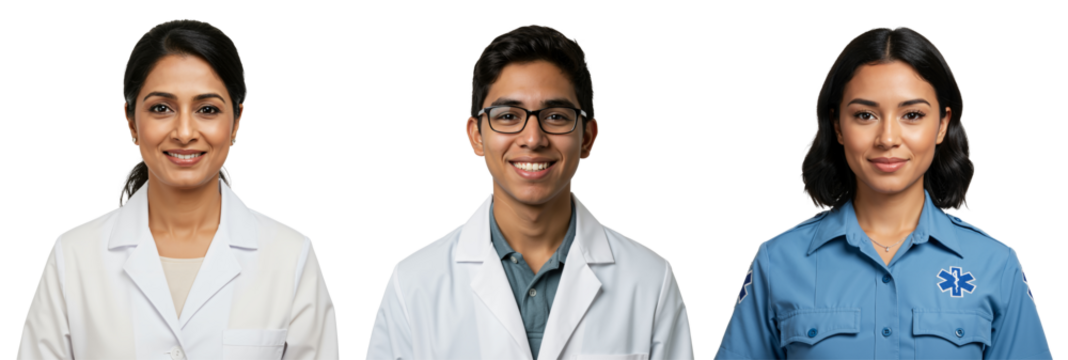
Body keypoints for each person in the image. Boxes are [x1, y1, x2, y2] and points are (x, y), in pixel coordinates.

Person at [712, 26, 1054, 360]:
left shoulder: (996, 264)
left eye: (912, 115)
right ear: (837, 125)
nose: (888, 138)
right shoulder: (777, 262)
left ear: (942, 124)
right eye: (865, 115)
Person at [365, 24, 696, 359]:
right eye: (508, 116)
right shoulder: (413, 284)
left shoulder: (650, 281)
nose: (533, 139)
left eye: (555, 116)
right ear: (476, 135)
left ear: (588, 137)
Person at [15, 19, 340, 359]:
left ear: (237, 122)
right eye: (161, 108)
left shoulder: (291, 256)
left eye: (207, 109)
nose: (184, 131)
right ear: (130, 121)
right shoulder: (74, 256)